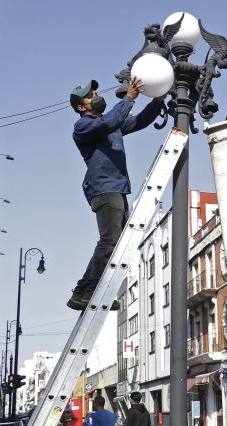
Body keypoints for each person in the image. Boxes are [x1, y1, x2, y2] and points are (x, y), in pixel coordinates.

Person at [67, 77, 165, 311]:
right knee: (110, 241)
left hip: (116, 188)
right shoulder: (83, 126)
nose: (96, 96)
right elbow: (110, 121)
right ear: (82, 107)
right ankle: (86, 291)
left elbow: (138, 121)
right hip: (104, 188)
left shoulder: (110, 123)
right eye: (90, 96)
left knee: (116, 244)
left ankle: (88, 292)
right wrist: (130, 97)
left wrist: (158, 101)